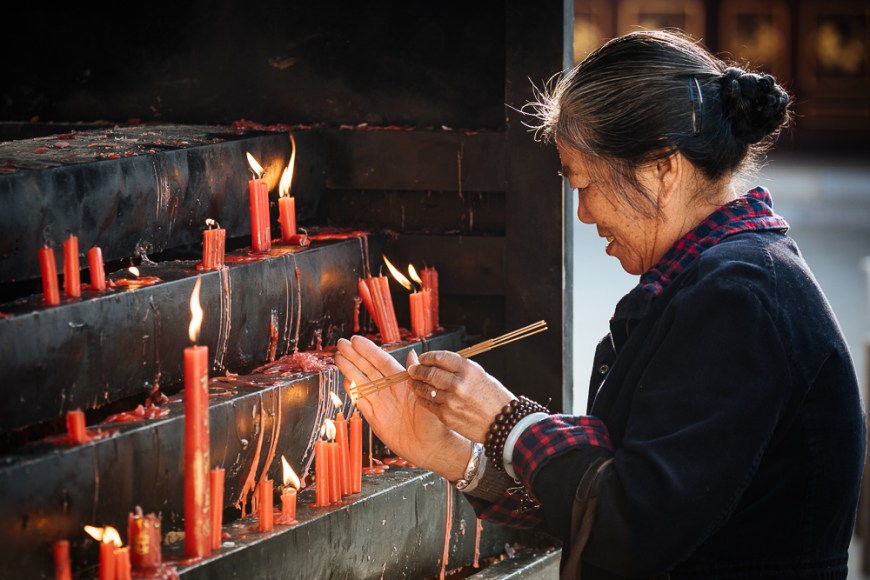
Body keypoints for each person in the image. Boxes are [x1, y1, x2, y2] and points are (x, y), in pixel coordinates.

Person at [334, 29, 866, 579]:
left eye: (585, 185)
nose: (584, 215)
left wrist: (507, 421)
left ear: (662, 168)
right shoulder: (720, 277)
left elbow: (634, 526)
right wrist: (447, 453)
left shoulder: (740, 297)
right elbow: (605, 505)